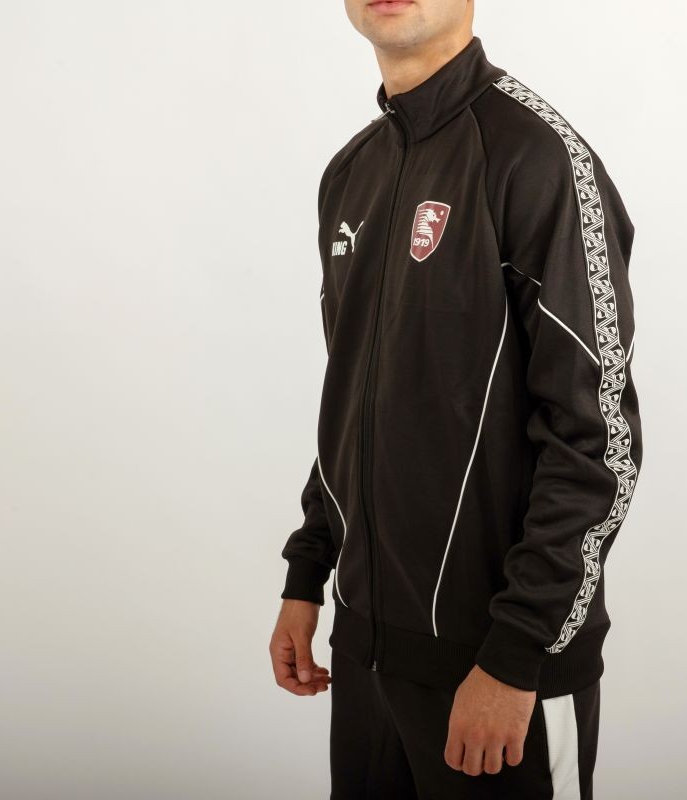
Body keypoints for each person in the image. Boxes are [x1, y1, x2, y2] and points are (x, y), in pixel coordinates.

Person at [269, 1, 643, 796]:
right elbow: (356, 403)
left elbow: (598, 441)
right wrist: (308, 572)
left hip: (500, 670)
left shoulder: (538, 157)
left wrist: (514, 656)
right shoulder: (350, 173)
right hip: (368, 652)